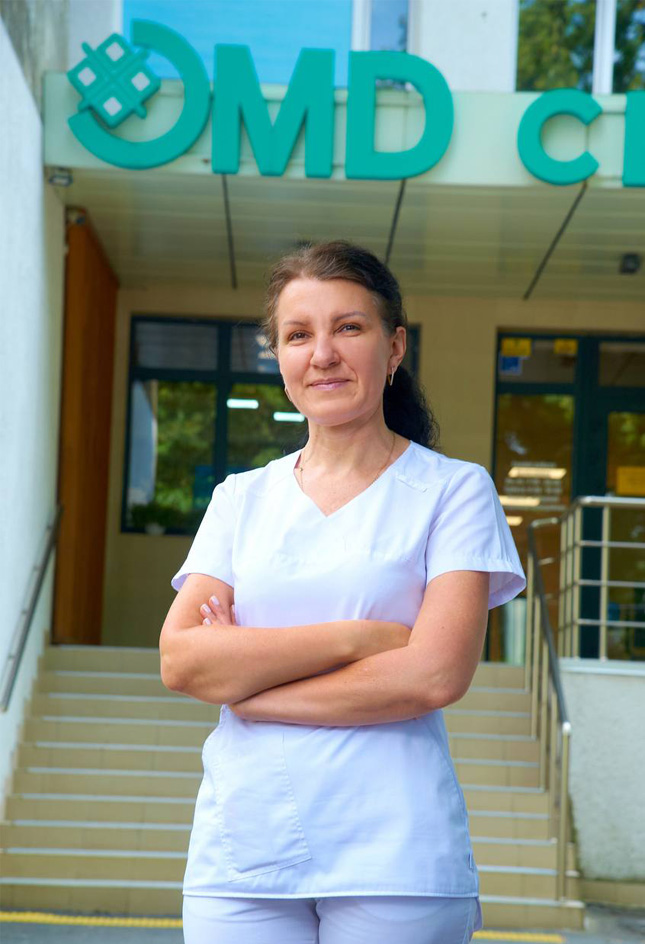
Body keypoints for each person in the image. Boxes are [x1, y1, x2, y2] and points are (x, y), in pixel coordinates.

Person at [160, 240, 527, 944]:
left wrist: (250, 686)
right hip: (243, 850)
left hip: (396, 857)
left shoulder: (452, 491)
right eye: (298, 335)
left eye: (348, 328)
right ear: (278, 356)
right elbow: (182, 661)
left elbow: (432, 676)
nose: (322, 354)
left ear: (394, 348)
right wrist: (361, 639)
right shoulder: (241, 498)